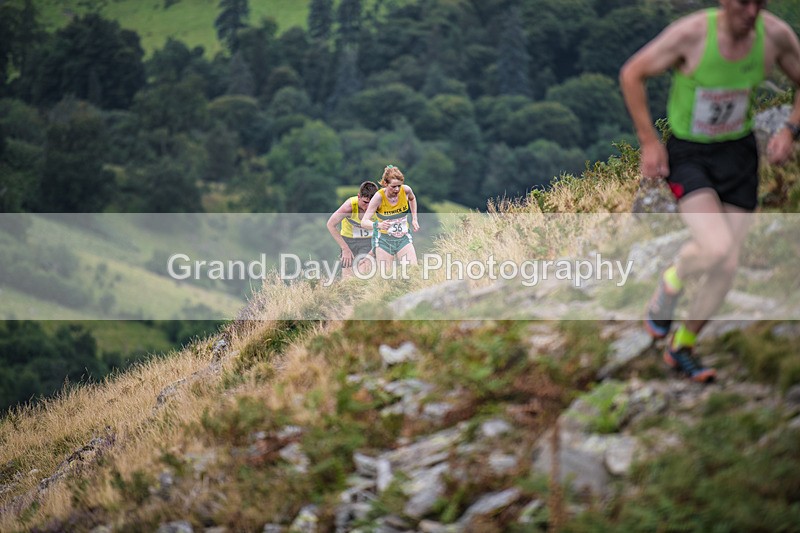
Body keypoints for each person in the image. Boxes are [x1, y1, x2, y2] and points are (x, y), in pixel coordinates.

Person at [620, 0, 800, 382]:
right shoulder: (692, 34)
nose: (750, 12)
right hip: (691, 154)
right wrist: (649, 142)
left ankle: (682, 346)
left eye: (759, 3)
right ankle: (671, 281)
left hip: (738, 155)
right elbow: (632, 73)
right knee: (716, 248)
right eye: (742, 3)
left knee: (727, 264)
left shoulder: (775, 37)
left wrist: (790, 129)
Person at [360, 165, 420, 269]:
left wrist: (414, 219)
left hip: (403, 237)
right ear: (385, 184)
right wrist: (378, 225)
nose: (397, 189)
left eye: (399, 186)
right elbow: (364, 222)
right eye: (393, 186)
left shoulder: (406, 190)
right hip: (384, 241)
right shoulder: (378, 197)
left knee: (412, 270)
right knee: (386, 276)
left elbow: (412, 199)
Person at [326, 180, 379, 277]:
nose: (368, 207)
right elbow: (330, 224)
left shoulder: (379, 207)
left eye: (371, 203)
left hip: (368, 241)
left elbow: (385, 231)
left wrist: (372, 253)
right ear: (359, 196)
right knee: (348, 279)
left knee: (363, 274)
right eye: (365, 202)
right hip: (348, 241)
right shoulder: (348, 207)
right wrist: (345, 248)